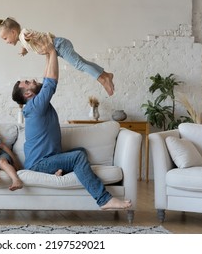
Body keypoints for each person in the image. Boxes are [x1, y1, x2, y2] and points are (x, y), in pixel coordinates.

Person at [11, 42, 131, 210]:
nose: (31, 80)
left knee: (80, 151)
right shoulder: (36, 106)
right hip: (39, 164)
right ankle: (104, 199)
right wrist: (52, 51)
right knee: (77, 158)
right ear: (28, 93)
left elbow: (46, 81)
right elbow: (51, 83)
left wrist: (47, 53)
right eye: (27, 82)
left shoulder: (35, 104)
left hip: (46, 160)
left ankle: (58, 170)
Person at [0, 17, 115, 96]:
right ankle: (106, 74)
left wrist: (30, 37)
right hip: (58, 47)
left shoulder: (24, 34)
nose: (6, 41)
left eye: (5, 38)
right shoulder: (22, 40)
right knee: (82, 62)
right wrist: (24, 50)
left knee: (79, 65)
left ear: (13, 32)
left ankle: (103, 79)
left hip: (59, 45)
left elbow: (29, 36)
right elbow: (26, 44)